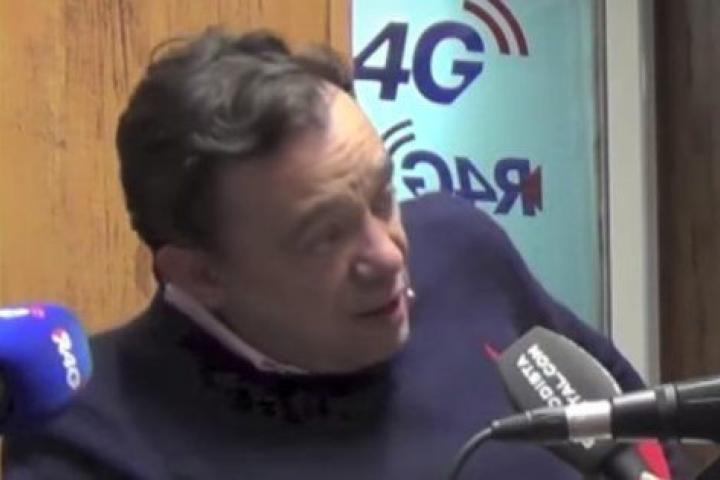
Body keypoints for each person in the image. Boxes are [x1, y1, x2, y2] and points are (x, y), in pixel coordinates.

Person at [2, 28, 682, 479]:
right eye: (324, 235)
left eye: (383, 197)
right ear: (201, 273)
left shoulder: (461, 249)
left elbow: (649, 438)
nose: (388, 256)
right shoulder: (91, 440)